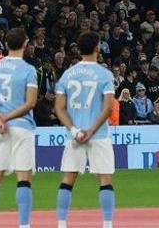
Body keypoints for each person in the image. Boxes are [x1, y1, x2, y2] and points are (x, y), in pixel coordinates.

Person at [53, 31, 116, 228]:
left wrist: (74, 130)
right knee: (105, 179)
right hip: (98, 135)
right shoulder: (105, 74)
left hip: (75, 136)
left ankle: (62, 223)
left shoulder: (68, 74)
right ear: (97, 47)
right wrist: (91, 131)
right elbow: (108, 108)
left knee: (68, 179)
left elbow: (59, 108)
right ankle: (107, 224)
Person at [0, 29, 38, 228]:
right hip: (22, 127)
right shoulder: (29, 70)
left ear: (6, 43)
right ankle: (24, 225)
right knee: (24, 178)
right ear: (25, 43)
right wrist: (6, 117)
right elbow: (30, 103)